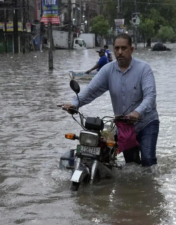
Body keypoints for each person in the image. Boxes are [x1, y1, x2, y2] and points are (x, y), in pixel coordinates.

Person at [62, 33, 159, 167]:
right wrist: (74, 104)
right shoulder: (108, 70)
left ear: (131, 50)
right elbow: (91, 90)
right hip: (125, 126)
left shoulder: (144, 69)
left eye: (124, 48)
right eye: (117, 48)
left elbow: (150, 97)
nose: (120, 52)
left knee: (148, 160)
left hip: (147, 122)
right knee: (131, 165)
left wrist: (137, 113)